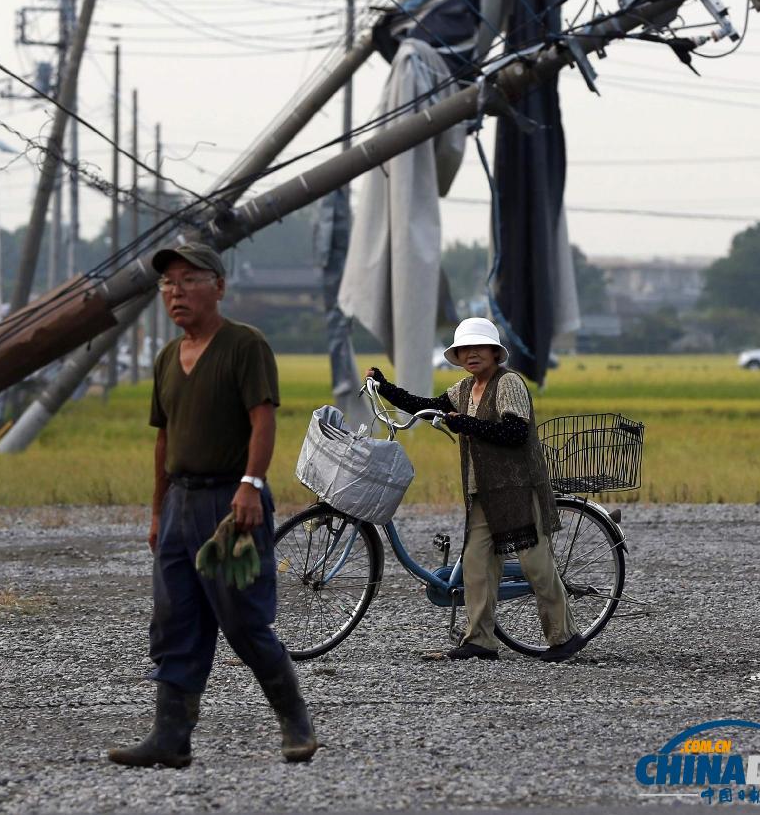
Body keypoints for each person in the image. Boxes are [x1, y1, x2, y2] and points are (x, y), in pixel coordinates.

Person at [108, 242, 317, 769]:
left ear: (218, 286)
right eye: (166, 284)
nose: (175, 292)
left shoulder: (245, 345)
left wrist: (251, 484)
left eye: (187, 280)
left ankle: (296, 721)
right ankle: (170, 738)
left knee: (242, 618)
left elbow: (263, 419)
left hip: (231, 501)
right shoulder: (164, 358)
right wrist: (158, 512)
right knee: (174, 619)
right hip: (180, 501)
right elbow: (164, 440)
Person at [366, 317, 585, 663]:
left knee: (536, 564)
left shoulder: (509, 383)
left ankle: (565, 636)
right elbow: (426, 406)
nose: (471, 354)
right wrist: (384, 386)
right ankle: (480, 640)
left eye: (478, 347)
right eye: (464, 349)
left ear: (495, 353)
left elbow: (514, 433)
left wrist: (466, 423)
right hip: (482, 490)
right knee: (476, 565)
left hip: (516, 487)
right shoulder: (464, 390)